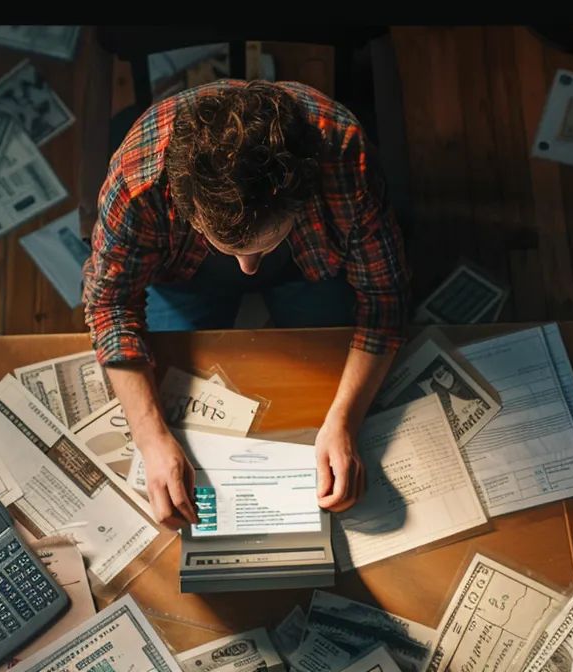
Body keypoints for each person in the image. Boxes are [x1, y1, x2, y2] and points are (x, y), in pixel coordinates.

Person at [83, 79, 409, 528]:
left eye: (266, 242)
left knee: (319, 394)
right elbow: (111, 306)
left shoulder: (345, 156)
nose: (248, 270)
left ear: (302, 202)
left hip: (308, 267)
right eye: (230, 247)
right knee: (169, 379)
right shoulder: (136, 181)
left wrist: (345, 422)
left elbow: (384, 300)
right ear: (189, 209)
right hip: (187, 277)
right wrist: (152, 439)